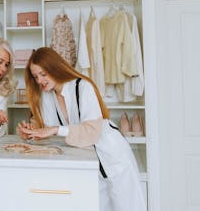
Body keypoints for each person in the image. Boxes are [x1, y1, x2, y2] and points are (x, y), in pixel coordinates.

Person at [17, 47, 146, 211]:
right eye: (35, 76)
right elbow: (46, 128)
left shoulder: (83, 87)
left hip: (112, 156)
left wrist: (56, 130)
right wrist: (31, 131)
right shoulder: (47, 96)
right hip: (88, 160)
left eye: (43, 74)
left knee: (127, 206)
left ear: (55, 68)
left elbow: (91, 131)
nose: (40, 80)